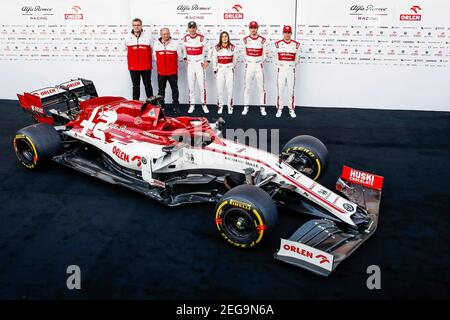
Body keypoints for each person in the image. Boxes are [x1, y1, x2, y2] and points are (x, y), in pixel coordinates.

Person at [182, 21, 210, 114]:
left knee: (202, 86)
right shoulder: (185, 38)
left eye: (193, 27)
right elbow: (183, 49)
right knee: (191, 85)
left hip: (199, 64)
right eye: (190, 27)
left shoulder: (201, 38)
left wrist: (208, 60)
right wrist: (185, 58)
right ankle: (192, 105)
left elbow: (210, 49)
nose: (192, 29)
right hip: (190, 64)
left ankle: (204, 105)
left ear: (196, 28)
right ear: (188, 28)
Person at [273, 25, 300, 118]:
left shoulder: (296, 45)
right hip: (281, 70)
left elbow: (297, 59)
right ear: (283, 33)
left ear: (291, 33)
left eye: (289, 32)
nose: (287, 34)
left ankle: (291, 109)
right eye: (285, 32)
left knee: (290, 91)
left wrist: (291, 66)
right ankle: (279, 108)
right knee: (280, 90)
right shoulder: (277, 44)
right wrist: (281, 66)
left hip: (290, 70)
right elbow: (275, 58)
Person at [153, 28, 182, 114]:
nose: (166, 35)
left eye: (167, 33)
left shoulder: (175, 44)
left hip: (172, 72)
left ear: (169, 34)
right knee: (161, 90)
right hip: (161, 72)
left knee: (174, 89)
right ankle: (160, 107)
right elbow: (155, 57)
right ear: (161, 34)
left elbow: (180, 57)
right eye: (164, 34)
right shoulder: (156, 44)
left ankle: (176, 106)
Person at [242, 21, 267, 116]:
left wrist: (259, 61)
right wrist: (249, 61)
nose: (253, 29)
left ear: (257, 28)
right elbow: (244, 53)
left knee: (261, 88)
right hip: (249, 66)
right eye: (251, 27)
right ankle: (246, 106)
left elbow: (264, 54)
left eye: (255, 27)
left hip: (258, 66)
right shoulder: (245, 40)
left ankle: (262, 107)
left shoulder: (263, 40)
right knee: (247, 87)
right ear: (249, 28)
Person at [125, 18, 153, 100]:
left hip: (146, 66)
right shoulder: (127, 37)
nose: (136, 27)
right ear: (132, 26)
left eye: (138, 25)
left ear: (141, 26)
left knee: (148, 85)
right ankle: (135, 104)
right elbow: (126, 49)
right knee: (135, 86)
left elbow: (152, 49)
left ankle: (151, 104)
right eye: (134, 25)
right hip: (133, 67)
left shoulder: (148, 36)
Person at [210, 31, 237, 114]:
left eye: (226, 36)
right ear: (220, 38)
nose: (224, 38)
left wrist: (231, 67)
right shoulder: (217, 47)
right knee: (220, 89)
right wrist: (215, 70)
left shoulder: (233, 47)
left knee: (230, 89)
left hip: (229, 70)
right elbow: (214, 60)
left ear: (228, 37)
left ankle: (230, 106)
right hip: (220, 70)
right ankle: (220, 106)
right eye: (223, 36)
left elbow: (235, 60)